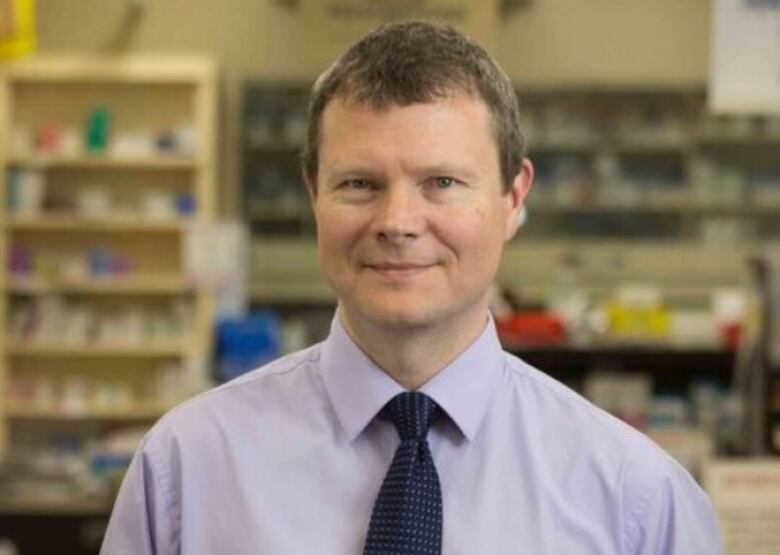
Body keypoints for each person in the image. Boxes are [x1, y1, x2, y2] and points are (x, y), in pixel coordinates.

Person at [101, 21, 723, 554]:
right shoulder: (188, 469)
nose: (397, 224)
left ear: (514, 197)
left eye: (443, 183)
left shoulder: (636, 499)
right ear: (313, 194)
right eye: (359, 184)